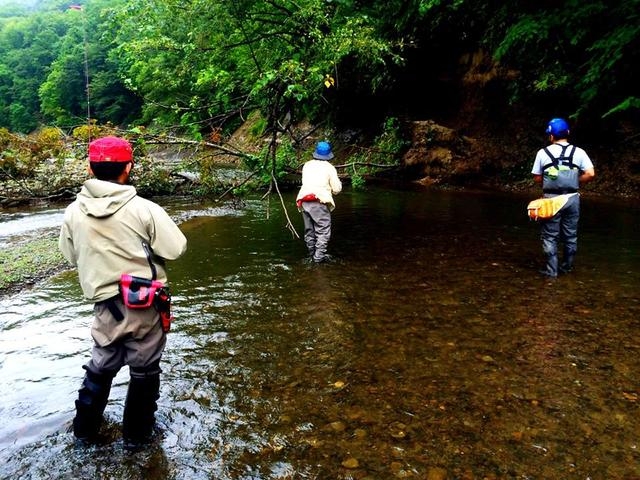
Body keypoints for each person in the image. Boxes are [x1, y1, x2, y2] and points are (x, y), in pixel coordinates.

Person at [59, 136, 187, 448]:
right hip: (144, 304)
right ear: (128, 168)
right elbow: (177, 248)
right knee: (144, 369)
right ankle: (137, 439)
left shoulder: (73, 212)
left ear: (90, 168)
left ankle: (84, 434)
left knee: (101, 366)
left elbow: (69, 255)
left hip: (105, 308)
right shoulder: (145, 209)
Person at [531, 118, 595, 277]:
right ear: (567, 133)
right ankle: (566, 268)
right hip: (573, 198)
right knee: (570, 235)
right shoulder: (579, 152)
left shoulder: (542, 153)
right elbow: (590, 173)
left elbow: (537, 178)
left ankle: (551, 271)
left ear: (550, 136)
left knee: (550, 236)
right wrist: (575, 180)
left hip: (551, 200)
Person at [296, 141, 342, 263]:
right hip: (319, 201)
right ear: (328, 155)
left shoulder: (307, 165)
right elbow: (337, 189)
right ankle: (318, 259)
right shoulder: (329, 168)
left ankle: (312, 255)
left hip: (304, 200)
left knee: (309, 231)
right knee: (323, 231)